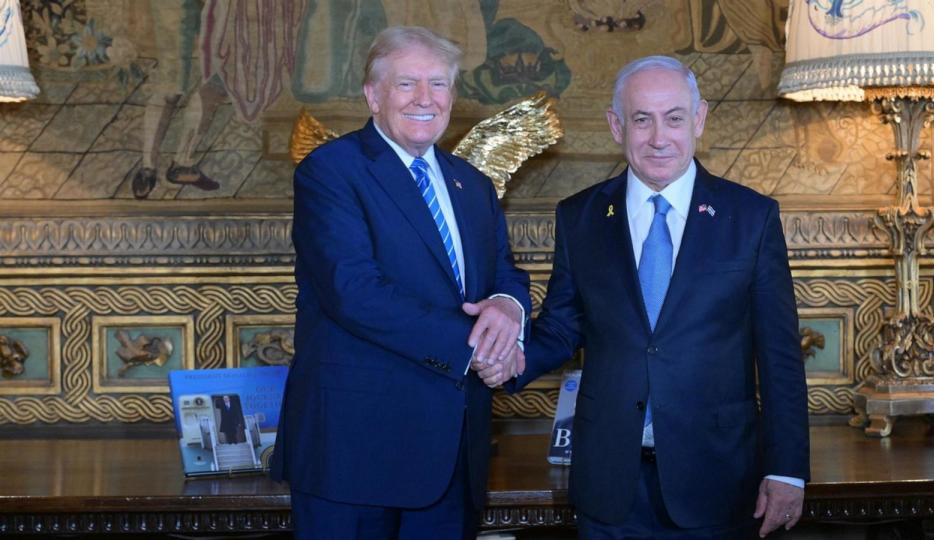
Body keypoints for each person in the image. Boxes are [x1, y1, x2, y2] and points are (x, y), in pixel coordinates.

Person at [488, 55, 810, 539]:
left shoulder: (751, 217)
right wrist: (510, 360)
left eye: (674, 118)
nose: (659, 137)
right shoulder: (580, 217)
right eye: (642, 119)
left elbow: (781, 356)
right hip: (609, 485)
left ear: (698, 119)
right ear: (617, 126)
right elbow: (561, 325)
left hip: (718, 479)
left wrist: (787, 469)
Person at [270, 26, 531, 539]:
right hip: (355, 455)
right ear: (373, 94)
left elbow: (503, 270)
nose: (425, 99)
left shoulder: (471, 184)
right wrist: (477, 346)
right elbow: (354, 292)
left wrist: (508, 310)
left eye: (439, 84)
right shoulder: (331, 171)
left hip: (453, 456)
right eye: (407, 84)